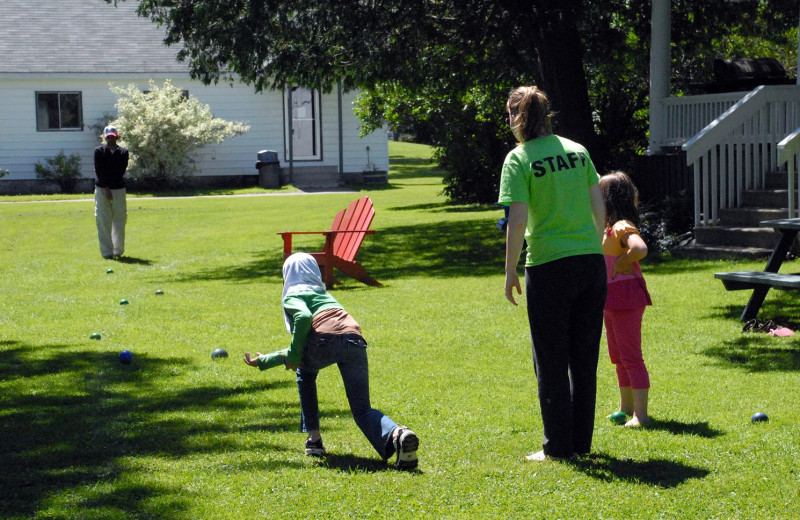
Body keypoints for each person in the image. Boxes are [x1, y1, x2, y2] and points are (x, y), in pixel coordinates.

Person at [498, 86, 607, 462]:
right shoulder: (578, 151)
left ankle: (558, 448)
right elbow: (599, 208)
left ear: (517, 116)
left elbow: (518, 219)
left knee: (550, 358)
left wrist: (510, 268)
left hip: (548, 265)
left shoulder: (519, 159)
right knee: (583, 359)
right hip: (591, 264)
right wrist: (590, 249)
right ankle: (580, 443)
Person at [244, 253, 419, 470]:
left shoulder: (293, 295)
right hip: (355, 338)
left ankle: (314, 440)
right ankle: (398, 434)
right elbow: (312, 339)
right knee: (362, 409)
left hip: (325, 341)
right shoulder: (325, 295)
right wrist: (276, 358)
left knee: (305, 374)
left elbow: (305, 319)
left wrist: (285, 358)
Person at [598, 171, 652, 428]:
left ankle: (641, 415)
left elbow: (639, 248)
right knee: (618, 357)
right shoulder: (608, 228)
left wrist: (623, 260)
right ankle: (625, 408)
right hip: (611, 300)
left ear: (608, 199)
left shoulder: (621, 227)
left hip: (626, 299)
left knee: (631, 356)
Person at [94, 125, 129, 259]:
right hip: (102, 189)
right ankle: (107, 253)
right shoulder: (99, 151)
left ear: (117, 137)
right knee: (103, 221)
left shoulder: (123, 152)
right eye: (108, 137)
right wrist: (107, 188)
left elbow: (119, 171)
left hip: (118, 189)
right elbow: (100, 171)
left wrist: (111, 188)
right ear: (105, 137)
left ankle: (118, 251)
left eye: (113, 137)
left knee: (119, 221)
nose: (111, 140)